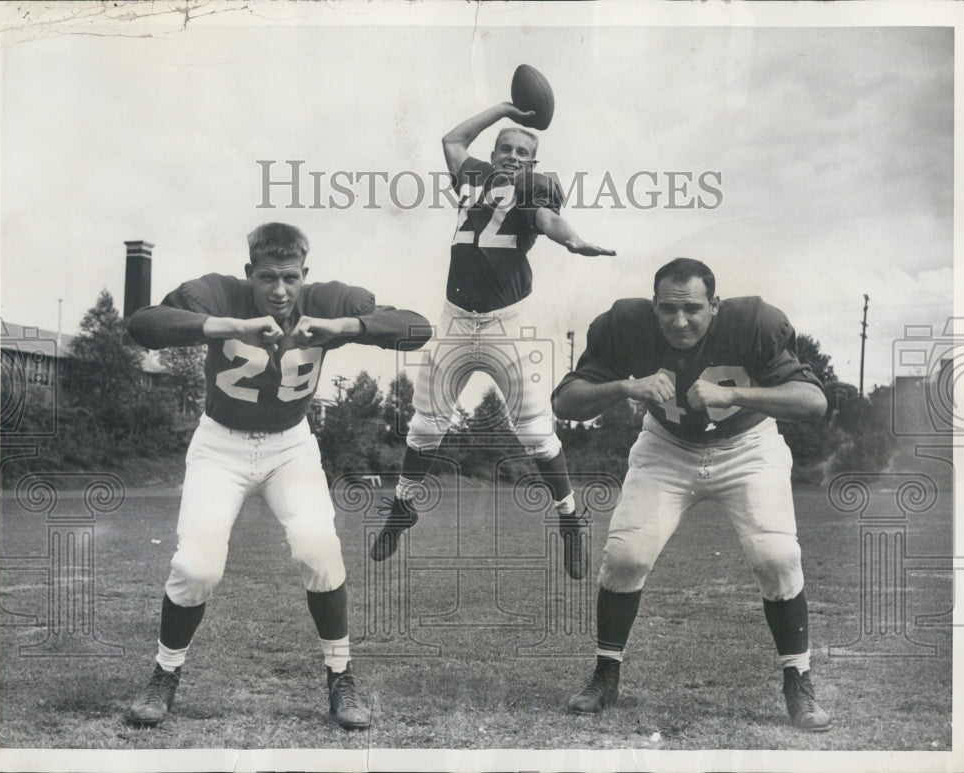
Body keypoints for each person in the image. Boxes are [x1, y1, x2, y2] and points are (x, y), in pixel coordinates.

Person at [125, 222, 431, 730]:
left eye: (290, 278)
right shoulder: (218, 292)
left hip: (290, 445)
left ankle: (341, 676)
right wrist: (229, 326)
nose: (280, 290)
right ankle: (165, 673)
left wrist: (344, 329)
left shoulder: (331, 300)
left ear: (305, 274)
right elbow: (143, 324)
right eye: (268, 278)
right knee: (197, 567)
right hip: (219, 445)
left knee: (319, 550)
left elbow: (416, 327)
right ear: (250, 274)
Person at [554, 257, 831, 731]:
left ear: (715, 306)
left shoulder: (755, 323)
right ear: (653, 306)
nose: (679, 322)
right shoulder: (624, 324)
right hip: (667, 446)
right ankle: (606, 673)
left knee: (777, 556)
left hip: (748, 445)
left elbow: (814, 400)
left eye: (693, 310)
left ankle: (798, 681)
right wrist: (625, 386)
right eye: (667, 309)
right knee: (626, 556)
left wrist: (736, 396)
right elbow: (565, 400)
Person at [370, 101, 615, 580]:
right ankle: (403, 509)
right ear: (495, 151)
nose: (511, 156)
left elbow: (547, 221)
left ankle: (568, 519)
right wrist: (503, 108)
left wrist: (573, 240)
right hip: (457, 321)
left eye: (522, 151)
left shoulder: (532, 191)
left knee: (536, 433)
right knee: (424, 427)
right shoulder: (473, 176)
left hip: (507, 325)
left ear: (532, 163)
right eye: (505, 147)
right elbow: (451, 141)